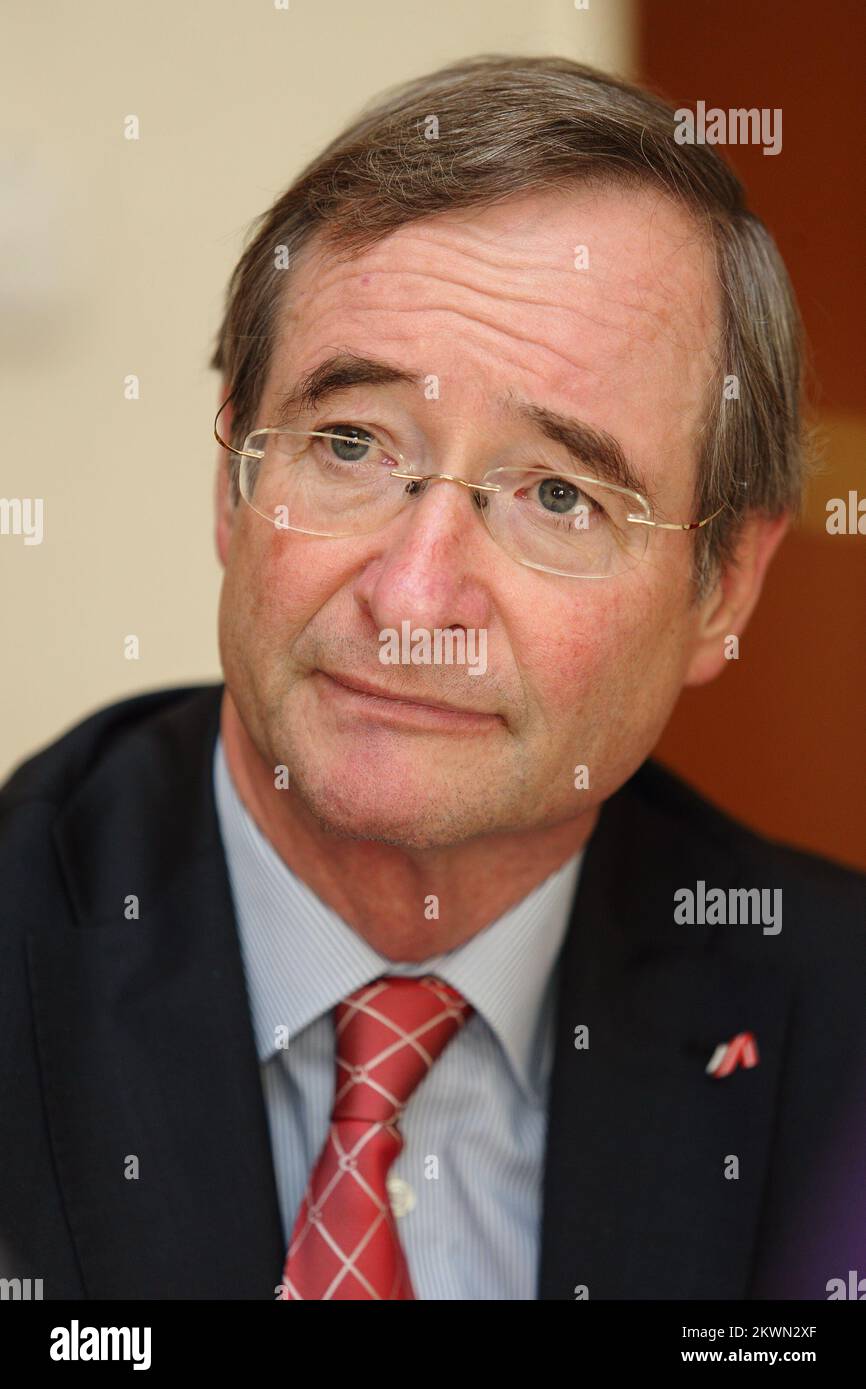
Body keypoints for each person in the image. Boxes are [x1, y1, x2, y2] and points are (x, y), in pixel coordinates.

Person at [1, 55, 863, 1302]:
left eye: (558, 495)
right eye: (349, 444)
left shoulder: (837, 1056)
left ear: (723, 586)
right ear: (234, 479)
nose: (411, 600)